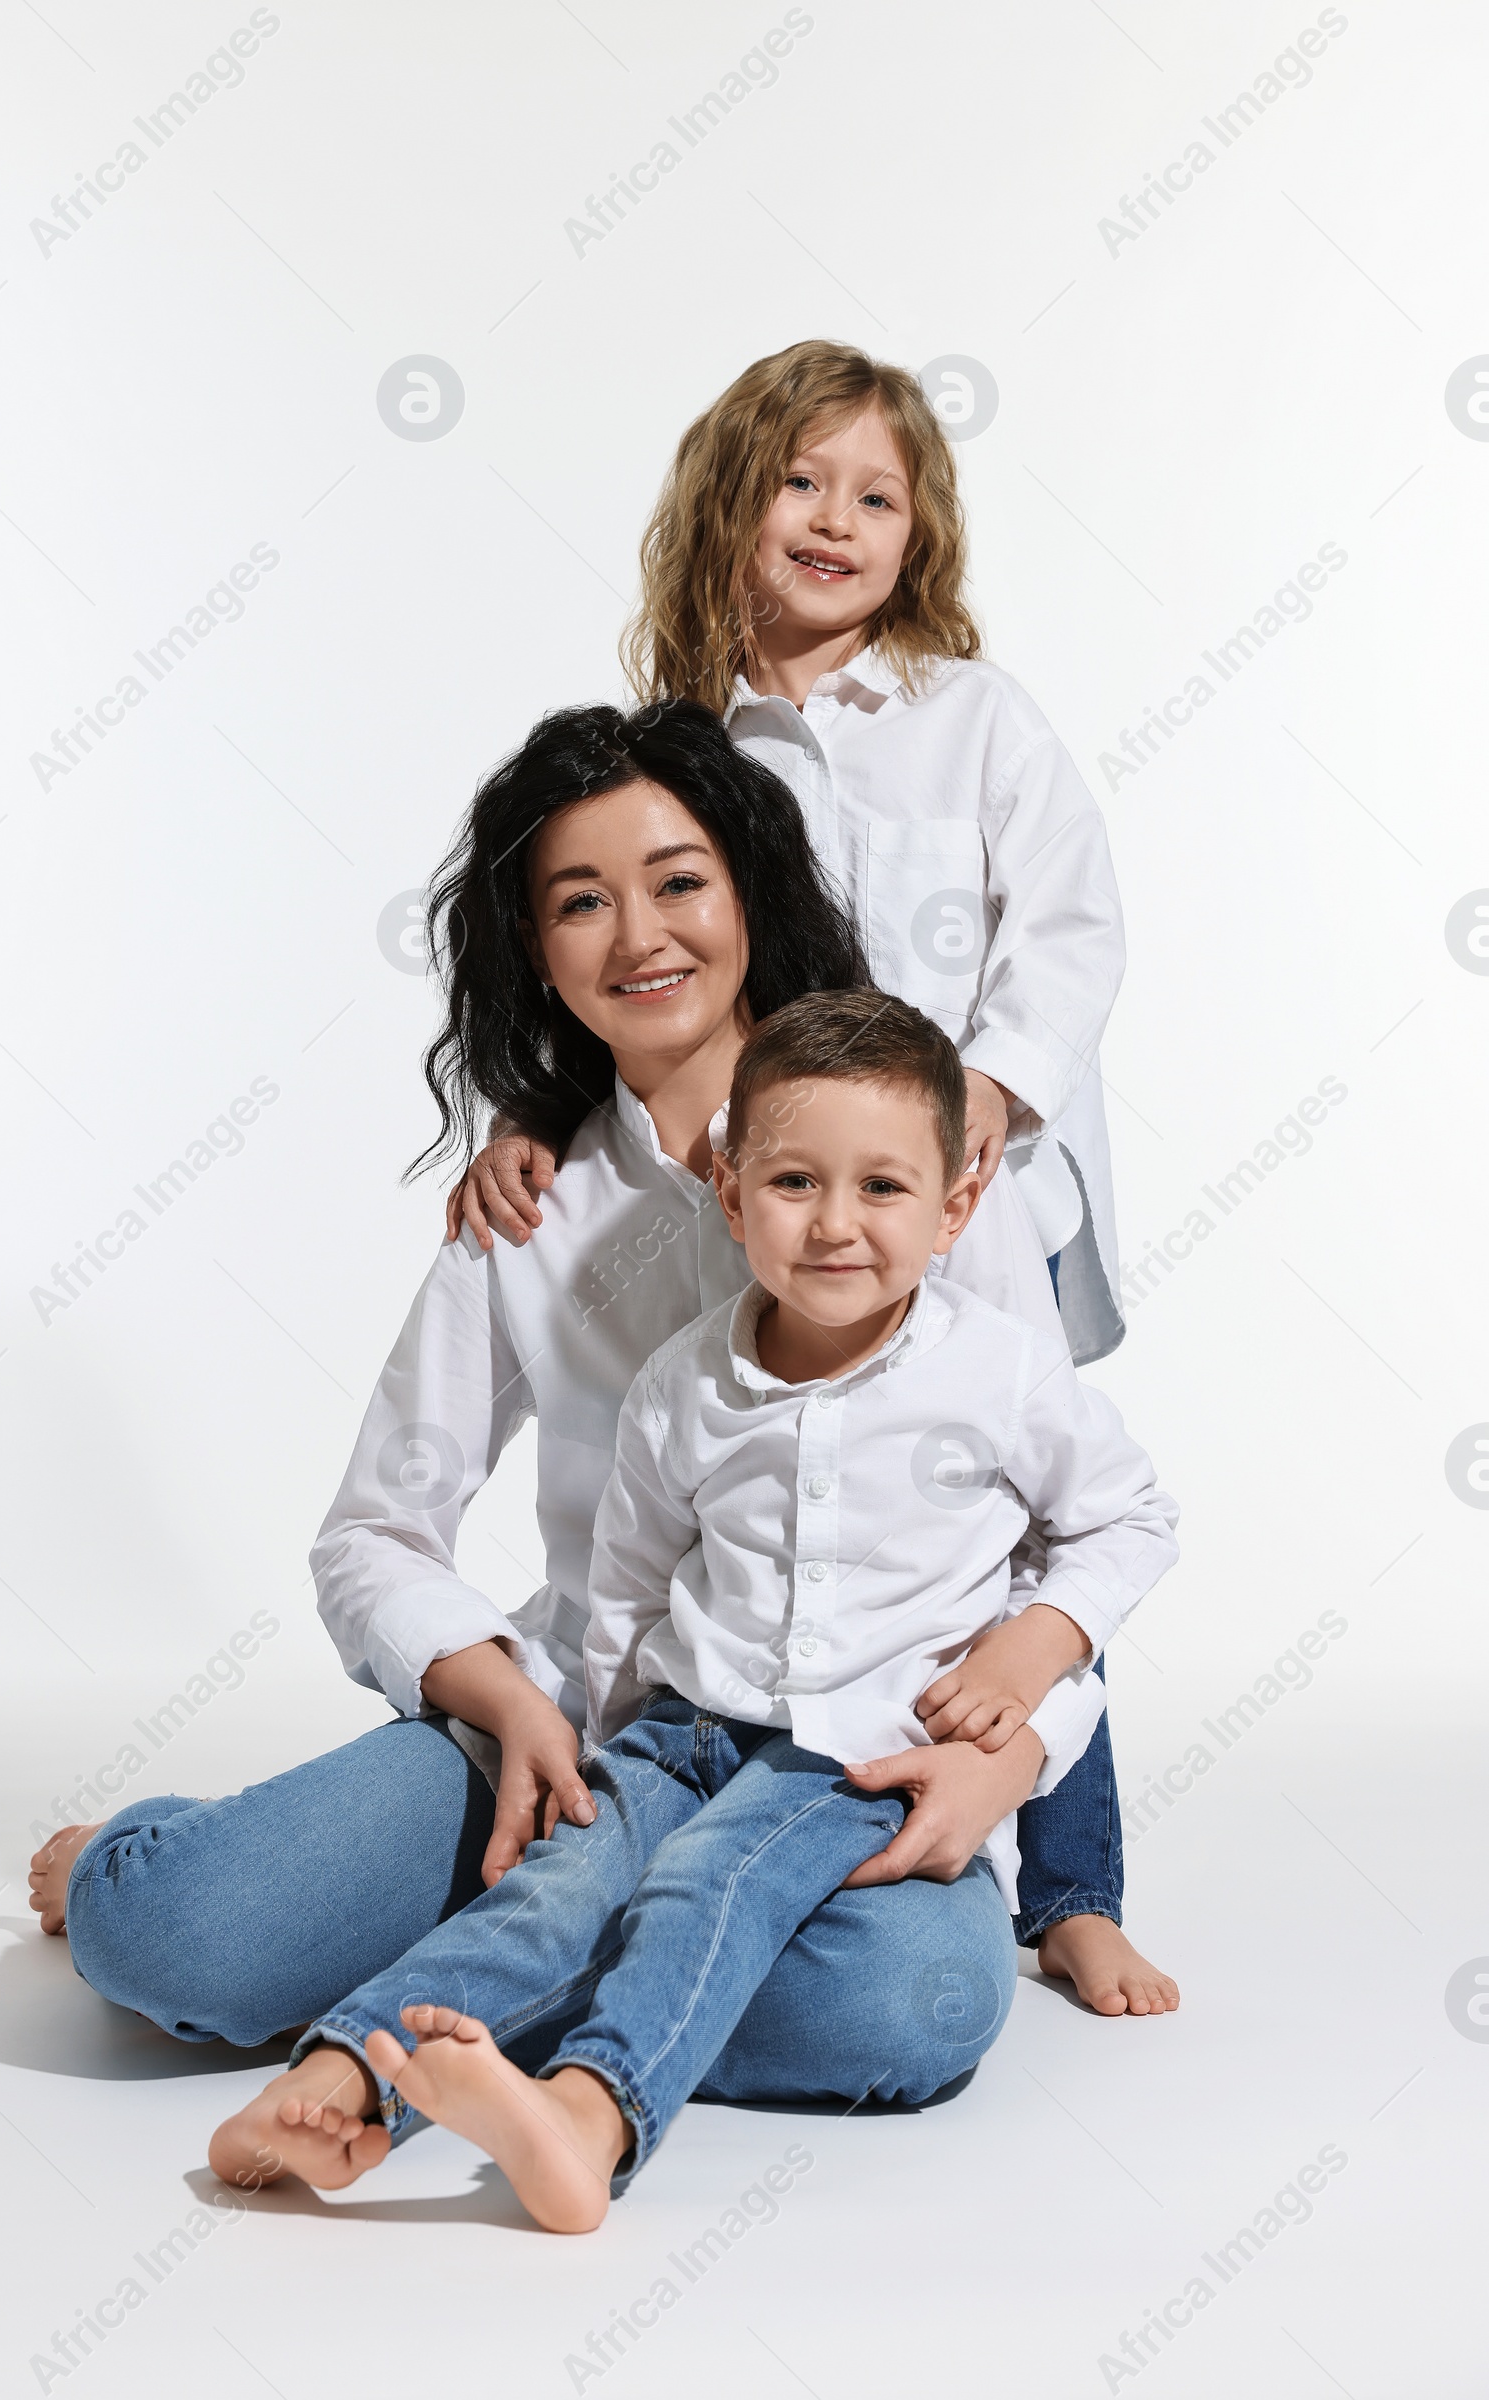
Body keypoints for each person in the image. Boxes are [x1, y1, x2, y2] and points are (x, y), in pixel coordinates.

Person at [29, 702, 1063, 2092]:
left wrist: (1017, 1755)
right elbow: (373, 1535)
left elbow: (1069, 1531)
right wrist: (507, 1701)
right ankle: (199, 1872)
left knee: (912, 2002)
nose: (641, 938)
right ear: (537, 946)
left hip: (843, 1767)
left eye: (680, 882)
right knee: (178, 1938)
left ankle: (447, 1976)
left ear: (749, 890)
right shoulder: (528, 1207)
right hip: (578, 1745)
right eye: (584, 902)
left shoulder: (913, 1157)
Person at [447, 343, 1173, 2016]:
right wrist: (540, 1114)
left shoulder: (971, 718)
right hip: (793, 1200)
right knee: (807, 1468)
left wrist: (995, 1084)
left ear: (922, 532)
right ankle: (741, 1786)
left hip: (968, 1178)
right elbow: (647, 960)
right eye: (800, 484)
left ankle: (1070, 1886)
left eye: (878, 495)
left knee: (1027, 1500)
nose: (837, 519)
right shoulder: (690, 743)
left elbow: (1075, 926)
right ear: (727, 508)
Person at [208, 992, 1177, 2226]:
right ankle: (344, 2080)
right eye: (792, 1183)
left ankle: (587, 2114)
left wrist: (1037, 1645)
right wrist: (606, 1751)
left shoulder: (1000, 1367)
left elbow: (1130, 1518)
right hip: (678, 1727)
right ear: (731, 1195)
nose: (834, 1225)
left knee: (709, 1883)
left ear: (955, 1209)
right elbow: (627, 1578)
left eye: (882, 1189)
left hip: (850, 1750)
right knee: (558, 1887)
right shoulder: (685, 1380)